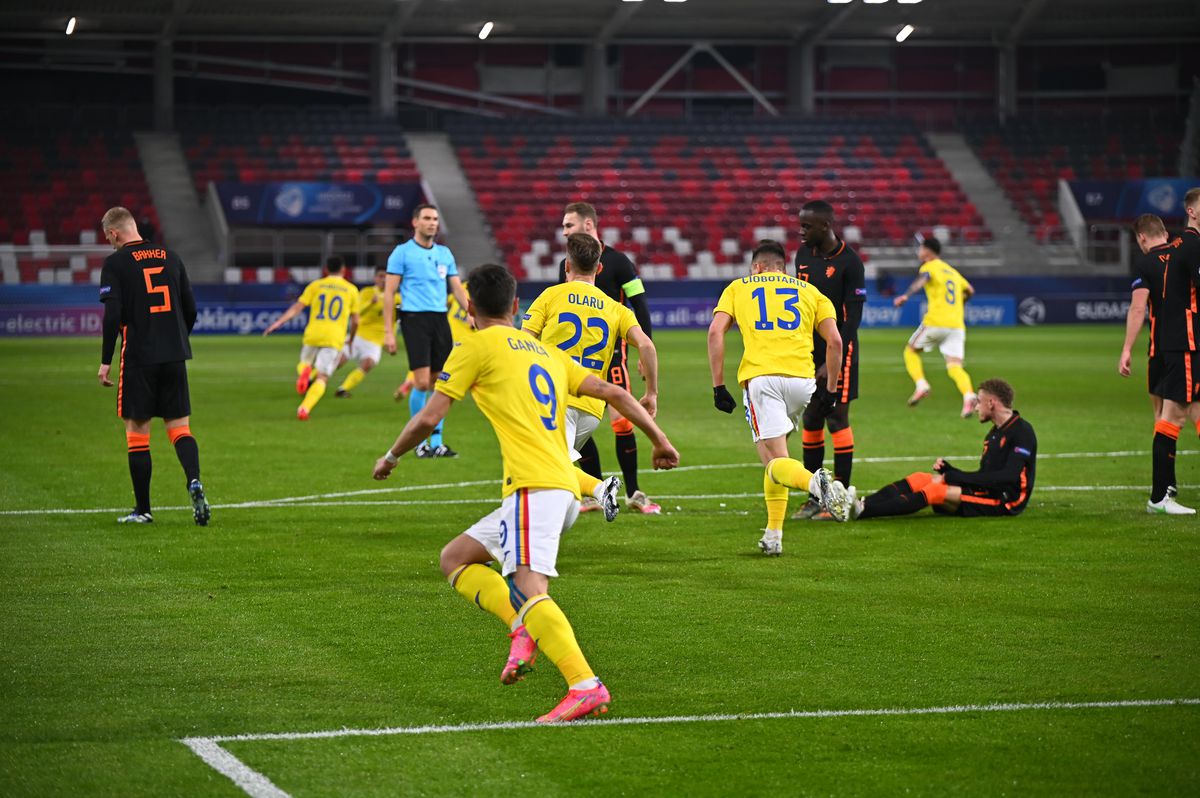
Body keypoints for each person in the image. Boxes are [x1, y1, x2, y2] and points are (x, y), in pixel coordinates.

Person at [371, 263, 679, 723]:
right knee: (455, 558)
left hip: (536, 488)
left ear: (469, 307)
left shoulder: (473, 345)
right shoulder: (545, 351)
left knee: (529, 586)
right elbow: (612, 391)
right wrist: (660, 440)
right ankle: (522, 626)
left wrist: (392, 457)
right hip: (564, 488)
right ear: (517, 306)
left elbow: (428, 418)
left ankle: (584, 684)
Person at [707, 239, 851, 556]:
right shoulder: (811, 292)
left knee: (776, 461)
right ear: (783, 267)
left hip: (763, 380)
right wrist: (830, 391)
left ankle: (817, 485)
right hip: (803, 382)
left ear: (757, 267)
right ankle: (774, 535)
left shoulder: (738, 288)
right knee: (775, 461)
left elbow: (716, 332)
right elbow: (836, 342)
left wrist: (718, 386)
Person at [523, 232, 659, 521]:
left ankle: (597, 488)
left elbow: (524, 341)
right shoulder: (616, 308)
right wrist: (651, 393)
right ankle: (525, 546)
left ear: (566, 267)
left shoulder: (551, 296)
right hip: (592, 409)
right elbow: (647, 345)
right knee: (545, 475)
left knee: (538, 469)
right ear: (599, 268)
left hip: (553, 399)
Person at [95, 206, 209, 526]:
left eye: (108, 237)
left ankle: (143, 510)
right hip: (174, 355)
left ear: (115, 233)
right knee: (179, 427)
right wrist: (175, 339)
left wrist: (106, 360)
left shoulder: (115, 264)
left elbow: (112, 316)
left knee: (137, 433)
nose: (109, 243)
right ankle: (194, 481)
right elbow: (191, 308)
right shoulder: (171, 257)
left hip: (139, 358)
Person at [558, 202, 660, 514]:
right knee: (578, 422)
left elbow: (639, 303)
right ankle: (594, 489)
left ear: (589, 225)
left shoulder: (619, 262)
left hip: (613, 357)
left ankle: (634, 491)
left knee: (620, 422)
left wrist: (646, 348)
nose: (564, 231)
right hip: (575, 360)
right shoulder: (567, 262)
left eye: (569, 225)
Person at [851, 379, 1035, 520]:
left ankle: (863, 511)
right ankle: (863, 502)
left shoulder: (1022, 432)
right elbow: (986, 475)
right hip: (990, 491)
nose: (976, 407)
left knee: (936, 490)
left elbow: (1008, 477)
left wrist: (957, 477)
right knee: (921, 478)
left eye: (978, 402)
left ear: (991, 403)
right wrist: (952, 471)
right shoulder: (994, 434)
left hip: (1007, 500)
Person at [1118, 214, 1197, 514]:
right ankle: (1165, 488)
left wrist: (1126, 349)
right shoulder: (1184, 254)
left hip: (1161, 351)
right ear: (1165, 232)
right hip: (1190, 344)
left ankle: (1164, 489)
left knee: (1163, 416)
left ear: (1141, 238)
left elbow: (1138, 308)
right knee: (1186, 412)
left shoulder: (1146, 263)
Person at [792, 200, 866, 520]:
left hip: (841, 351)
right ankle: (816, 496)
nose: (801, 231)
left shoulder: (850, 263)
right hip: (808, 353)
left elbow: (851, 320)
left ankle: (840, 494)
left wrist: (832, 359)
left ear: (825, 226)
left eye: (807, 226)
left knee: (836, 419)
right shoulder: (803, 256)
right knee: (810, 420)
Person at [382, 204, 469, 458]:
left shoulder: (444, 253)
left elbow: (457, 289)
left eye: (435, 219)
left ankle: (437, 442)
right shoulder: (402, 253)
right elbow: (389, 293)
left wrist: (472, 313)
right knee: (420, 382)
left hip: (440, 320)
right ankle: (418, 442)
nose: (432, 223)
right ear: (415, 222)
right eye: (427, 218)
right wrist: (389, 332)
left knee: (440, 383)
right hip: (414, 319)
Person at [262, 256, 360, 420]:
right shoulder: (351, 290)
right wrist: (352, 338)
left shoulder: (316, 285)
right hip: (333, 337)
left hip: (313, 333)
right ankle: (304, 409)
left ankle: (305, 372)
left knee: (304, 363)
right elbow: (356, 320)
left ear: (326, 270)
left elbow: (297, 307)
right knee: (322, 377)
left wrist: (278, 322)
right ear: (343, 270)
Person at [894, 237, 978, 418]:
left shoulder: (929, 267)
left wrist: (906, 295)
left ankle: (921, 384)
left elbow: (923, 279)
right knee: (955, 366)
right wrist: (961, 304)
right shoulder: (953, 272)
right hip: (956, 325)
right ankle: (969, 395)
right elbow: (970, 290)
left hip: (936, 321)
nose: (918, 252)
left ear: (927, 251)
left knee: (910, 351)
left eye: (920, 249)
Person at [332, 266, 397, 398]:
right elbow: (357, 312)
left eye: (386, 276)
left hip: (376, 341)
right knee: (338, 361)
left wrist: (391, 339)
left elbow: (394, 320)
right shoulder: (367, 292)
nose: (383, 279)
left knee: (368, 364)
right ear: (375, 278)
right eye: (380, 276)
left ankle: (343, 389)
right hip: (358, 336)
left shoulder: (397, 298)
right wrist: (370, 304)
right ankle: (312, 379)